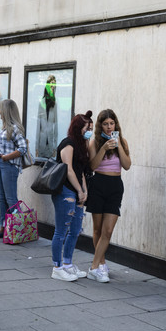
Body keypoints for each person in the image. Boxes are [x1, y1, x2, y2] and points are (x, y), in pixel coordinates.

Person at [86, 109, 131, 282]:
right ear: (100, 125)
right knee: (97, 229)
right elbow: (92, 166)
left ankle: (94, 266)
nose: (109, 127)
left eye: (111, 123)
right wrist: (104, 148)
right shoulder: (95, 143)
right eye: (105, 124)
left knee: (108, 230)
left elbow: (127, 165)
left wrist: (118, 144)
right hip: (98, 185)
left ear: (116, 124)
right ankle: (100, 264)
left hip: (115, 186)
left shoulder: (123, 142)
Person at [50, 111, 93, 281]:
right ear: (78, 127)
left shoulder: (82, 145)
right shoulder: (68, 144)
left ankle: (68, 264)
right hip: (65, 191)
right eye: (87, 127)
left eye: (91, 127)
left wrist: (84, 191)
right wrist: (80, 190)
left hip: (77, 191)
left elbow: (81, 170)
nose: (89, 130)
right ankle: (57, 267)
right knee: (61, 230)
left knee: (75, 230)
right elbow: (68, 170)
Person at [0, 99, 27, 239]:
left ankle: (20, 230)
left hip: (9, 165)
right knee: (2, 198)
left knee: (11, 198)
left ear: (6, 111)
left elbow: (22, 148)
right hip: (0, 164)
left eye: (1, 109)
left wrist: (6, 157)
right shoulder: (5, 128)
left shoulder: (15, 129)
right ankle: (4, 228)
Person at [36, 75, 58, 158]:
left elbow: (56, 125)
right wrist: (36, 147)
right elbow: (38, 125)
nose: (53, 87)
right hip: (41, 143)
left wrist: (55, 147)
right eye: (51, 84)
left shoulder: (55, 104)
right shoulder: (41, 102)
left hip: (50, 145)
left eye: (54, 85)